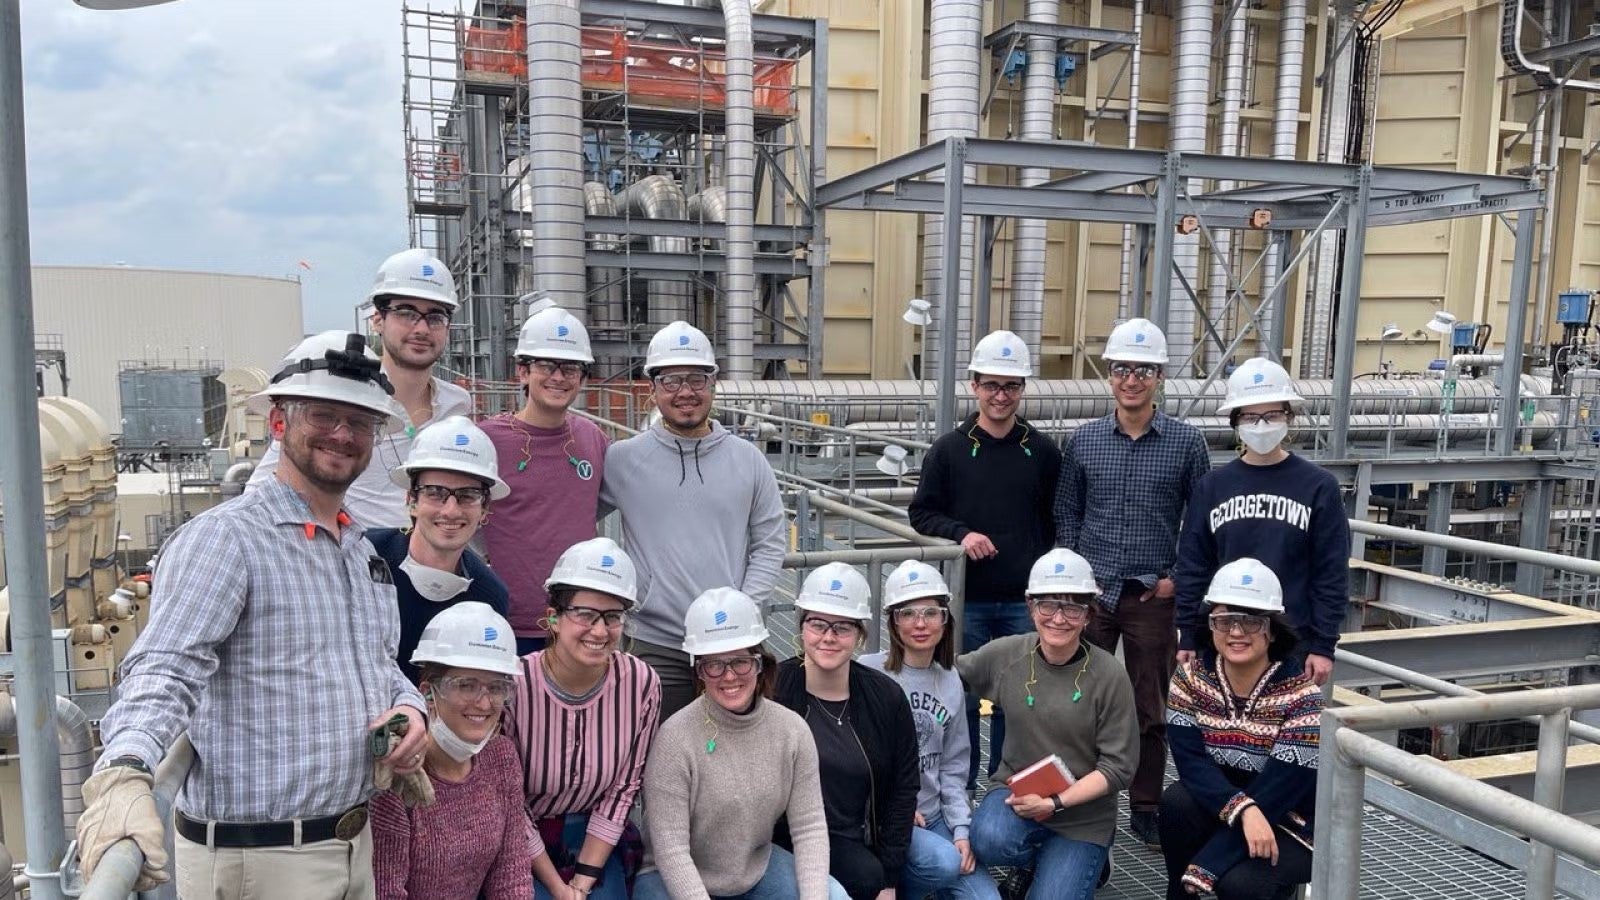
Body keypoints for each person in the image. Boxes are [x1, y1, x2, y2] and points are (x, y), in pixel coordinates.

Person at [75, 331, 428, 899]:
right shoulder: (227, 540)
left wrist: (408, 712)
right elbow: (165, 667)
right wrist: (125, 768)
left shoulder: (358, 552)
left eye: (359, 422)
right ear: (279, 423)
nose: (342, 434)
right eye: (324, 415)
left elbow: (375, 666)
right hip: (258, 863)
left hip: (350, 849)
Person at [1053, 317, 1210, 847]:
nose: (1132, 379)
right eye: (1123, 368)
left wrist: (1175, 582)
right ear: (1110, 375)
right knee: (1081, 701)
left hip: (1151, 596)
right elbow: (1067, 511)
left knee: (1150, 706)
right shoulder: (1086, 441)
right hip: (1092, 597)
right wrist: (1076, 578)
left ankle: (1144, 803)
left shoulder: (1187, 445)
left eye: (1143, 370)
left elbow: (1201, 521)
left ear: (1160, 376)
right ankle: (1081, 798)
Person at [600, 320, 787, 720]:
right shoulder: (623, 459)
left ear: (714, 383)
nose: (685, 391)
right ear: (652, 388)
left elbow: (770, 543)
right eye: (670, 380)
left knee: (732, 755)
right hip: (655, 642)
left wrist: (743, 609)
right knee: (654, 753)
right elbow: (570, 520)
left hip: (732, 644)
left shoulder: (748, 460)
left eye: (697, 378)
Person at [909, 329, 1061, 789]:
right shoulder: (950, 451)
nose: (1001, 395)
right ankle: (961, 790)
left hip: (1023, 602)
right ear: (974, 385)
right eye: (991, 385)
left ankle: (1009, 790)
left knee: (1022, 702)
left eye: (1011, 386)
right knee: (964, 699)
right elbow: (921, 512)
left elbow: (1058, 518)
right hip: (965, 600)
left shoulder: (1043, 451)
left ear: (1022, 390)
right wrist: (961, 533)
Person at [636, 587, 849, 900]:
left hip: (755, 870)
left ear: (759, 663)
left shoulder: (792, 731)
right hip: (672, 878)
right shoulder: (674, 738)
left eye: (740, 662)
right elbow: (671, 849)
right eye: (714, 664)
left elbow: (810, 828)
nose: (729, 676)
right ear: (699, 671)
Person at [248, 249, 473, 529]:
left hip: (432, 561)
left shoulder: (457, 405)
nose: (422, 329)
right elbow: (261, 492)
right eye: (406, 313)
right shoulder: (348, 400)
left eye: (435, 317)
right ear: (377, 319)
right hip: (359, 560)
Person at [960, 549, 1138, 900]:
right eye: (1048, 605)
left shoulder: (1109, 674)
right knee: (988, 839)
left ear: (1088, 614)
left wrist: (1055, 803)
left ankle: (1094, 856)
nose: (1059, 618)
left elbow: (1119, 767)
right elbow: (946, 677)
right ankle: (1037, 860)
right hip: (1018, 793)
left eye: (1073, 607)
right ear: (1030, 607)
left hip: (1083, 815)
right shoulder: (1008, 655)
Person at [1173, 358, 1349, 686]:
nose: (1262, 425)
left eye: (1272, 415)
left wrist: (1324, 645)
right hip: (1225, 642)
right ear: (1236, 422)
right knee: (1221, 733)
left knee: (1287, 735)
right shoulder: (1212, 487)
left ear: (1289, 417)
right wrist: (1188, 633)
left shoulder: (1318, 486)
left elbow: (1331, 573)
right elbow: (1194, 564)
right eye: (1251, 417)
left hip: (1293, 644)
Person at [505, 537, 661, 900]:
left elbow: (623, 789)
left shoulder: (641, 684)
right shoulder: (513, 684)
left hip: (596, 837)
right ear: (555, 617)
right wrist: (559, 887)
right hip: (524, 838)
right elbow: (510, 800)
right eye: (585, 614)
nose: (600, 631)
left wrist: (582, 882)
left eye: (612, 617)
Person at [1161, 559, 1320, 900]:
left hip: (1292, 821)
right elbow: (1191, 764)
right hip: (1228, 808)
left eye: (1251, 621)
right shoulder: (1189, 679)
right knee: (1176, 804)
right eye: (1224, 620)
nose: (1236, 632)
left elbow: (1283, 786)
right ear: (1210, 625)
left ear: (1273, 629)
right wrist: (1243, 811)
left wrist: (1208, 863)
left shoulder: (1302, 697)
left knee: (1240, 885)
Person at [775, 563, 919, 900]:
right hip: (788, 837)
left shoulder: (884, 697)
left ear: (860, 634)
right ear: (801, 627)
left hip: (862, 834)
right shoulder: (775, 689)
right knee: (860, 880)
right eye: (817, 624)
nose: (828, 636)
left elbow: (903, 787)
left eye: (842, 627)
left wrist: (890, 879)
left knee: (935, 864)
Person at [371, 602, 534, 899]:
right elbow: (386, 891)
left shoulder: (501, 757)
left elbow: (511, 875)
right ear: (427, 693)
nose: (484, 704)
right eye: (466, 686)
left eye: (497, 687)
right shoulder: (399, 775)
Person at [861, 561, 1000, 900]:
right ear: (893, 622)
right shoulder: (867, 674)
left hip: (933, 816)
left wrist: (961, 830)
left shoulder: (950, 679)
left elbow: (954, 767)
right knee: (941, 864)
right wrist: (891, 806)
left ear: (945, 618)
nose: (920, 624)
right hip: (887, 819)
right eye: (907, 613)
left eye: (931, 612)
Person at [481, 306, 610, 654]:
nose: (559, 377)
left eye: (570, 368)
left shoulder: (592, 439)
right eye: (546, 366)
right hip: (504, 623)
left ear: (583, 377)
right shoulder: (487, 441)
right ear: (522, 371)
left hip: (578, 623)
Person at [367, 416, 510, 684]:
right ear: (411, 500)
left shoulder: (488, 596)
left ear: (485, 508)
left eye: (467, 495)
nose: (451, 510)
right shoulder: (365, 557)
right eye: (435, 493)